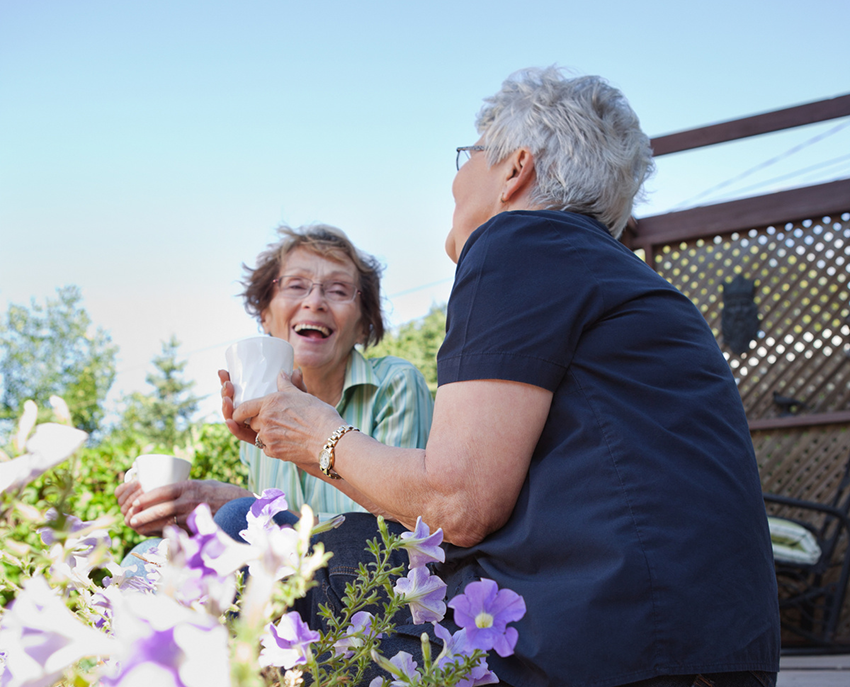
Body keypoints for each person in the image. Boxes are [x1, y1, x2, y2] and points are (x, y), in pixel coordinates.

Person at [221, 67, 781, 687]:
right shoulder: (603, 269)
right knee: (329, 555)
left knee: (285, 568)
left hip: (619, 645)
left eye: (470, 155)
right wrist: (299, 439)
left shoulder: (522, 240)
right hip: (696, 647)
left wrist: (318, 437)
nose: (456, 179)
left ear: (514, 170)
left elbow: (456, 504)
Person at [117, 224, 433, 546]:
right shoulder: (254, 407)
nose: (315, 301)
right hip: (291, 577)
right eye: (296, 285)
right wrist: (187, 512)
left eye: (338, 290)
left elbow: (406, 524)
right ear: (265, 315)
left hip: (375, 576)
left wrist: (243, 504)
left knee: (236, 514)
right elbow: (282, 527)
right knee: (152, 552)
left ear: (364, 326)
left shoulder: (396, 383)